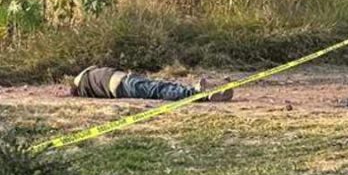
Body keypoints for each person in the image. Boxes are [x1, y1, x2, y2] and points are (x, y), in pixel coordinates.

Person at [68, 66, 233, 102]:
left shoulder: (86, 83)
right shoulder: (84, 78)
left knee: (159, 88)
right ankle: (198, 93)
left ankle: (204, 91)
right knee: (159, 88)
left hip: (123, 84)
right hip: (124, 83)